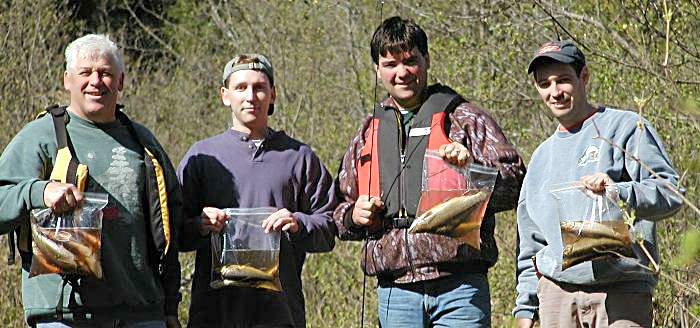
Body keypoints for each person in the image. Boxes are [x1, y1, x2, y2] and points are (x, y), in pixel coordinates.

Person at [333, 16, 526, 327]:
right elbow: (338, 211)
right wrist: (353, 217)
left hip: (460, 287)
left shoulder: (464, 119)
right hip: (395, 291)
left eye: (410, 61)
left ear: (427, 60)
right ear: (377, 70)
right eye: (391, 64)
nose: (402, 72)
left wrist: (471, 170)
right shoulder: (368, 131)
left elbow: (516, 185)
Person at [0, 34, 182, 327]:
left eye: (106, 73)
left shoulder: (143, 141)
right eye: (85, 73)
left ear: (120, 82)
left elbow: (174, 225)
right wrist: (40, 192)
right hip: (66, 315)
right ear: (67, 80)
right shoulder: (42, 135)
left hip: (142, 312)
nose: (96, 81)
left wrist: (202, 225)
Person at [513, 40, 684, 327]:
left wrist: (619, 192)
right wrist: (525, 308)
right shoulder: (541, 156)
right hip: (557, 295)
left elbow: (671, 193)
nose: (554, 92)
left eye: (563, 80)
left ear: (584, 77)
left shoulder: (625, 127)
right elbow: (531, 242)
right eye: (544, 84)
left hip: (621, 291)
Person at [177, 53, 338, 328]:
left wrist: (297, 223)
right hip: (214, 314)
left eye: (259, 87)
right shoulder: (201, 156)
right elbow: (173, 234)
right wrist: (200, 225)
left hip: (279, 314)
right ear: (225, 95)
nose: (250, 96)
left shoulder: (299, 156)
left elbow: (330, 227)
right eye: (241, 87)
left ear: (273, 94)